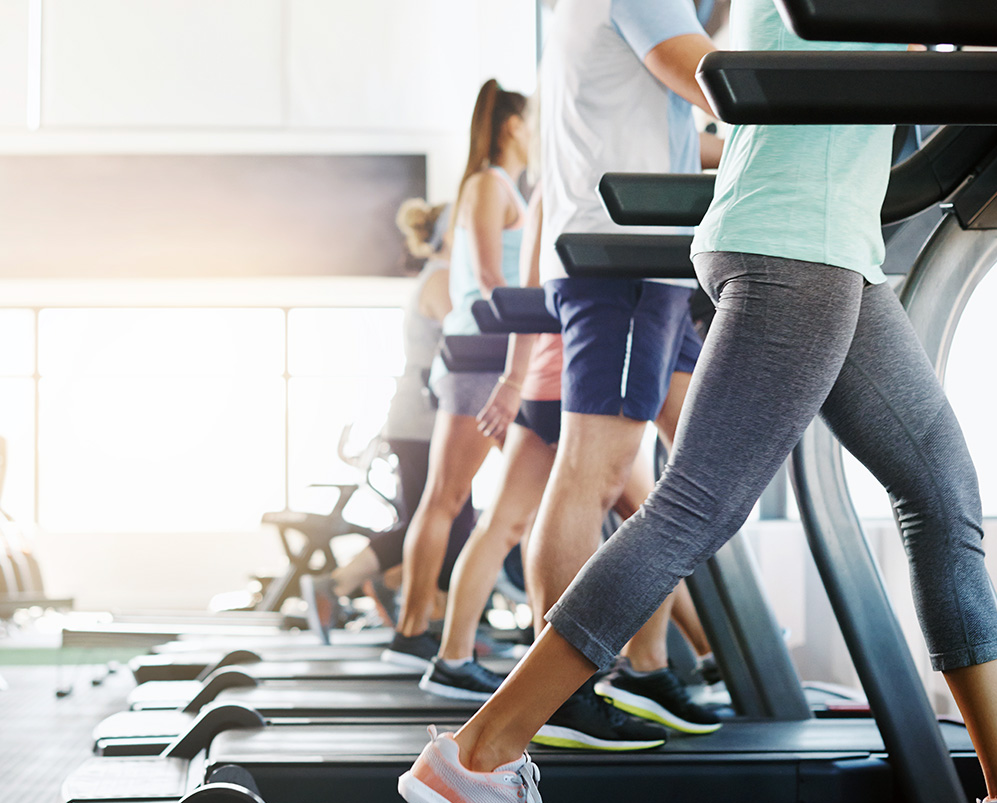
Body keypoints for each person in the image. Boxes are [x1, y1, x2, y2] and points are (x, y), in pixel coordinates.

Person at [397, 0, 997, 803]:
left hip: (831, 243)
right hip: (795, 243)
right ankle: (482, 752)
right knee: (696, 508)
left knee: (940, 492)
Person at [420, 193, 719, 744]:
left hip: (542, 379)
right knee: (659, 517)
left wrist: (514, 379)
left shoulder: (546, 191)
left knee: (503, 524)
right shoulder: (558, 188)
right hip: (574, 379)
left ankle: (455, 657)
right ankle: (648, 667)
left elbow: (529, 283)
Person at [381, 79, 531, 669]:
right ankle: (416, 630)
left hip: (486, 352)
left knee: (471, 501)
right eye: (534, 122)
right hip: (487, 354)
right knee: (450, 499)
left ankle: (420, 629)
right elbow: (492, 278)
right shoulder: (490, 184)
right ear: (514, 126)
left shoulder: (492, 186)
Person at [299, 199, 476, 632]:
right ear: (449, 236)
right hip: (424, 422)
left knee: (439, 522)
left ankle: (396, 592)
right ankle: (346, 585)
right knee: (440, 523)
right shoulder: (441, 279)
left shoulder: (438, 276)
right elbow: (469, 335)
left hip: (425, 420)